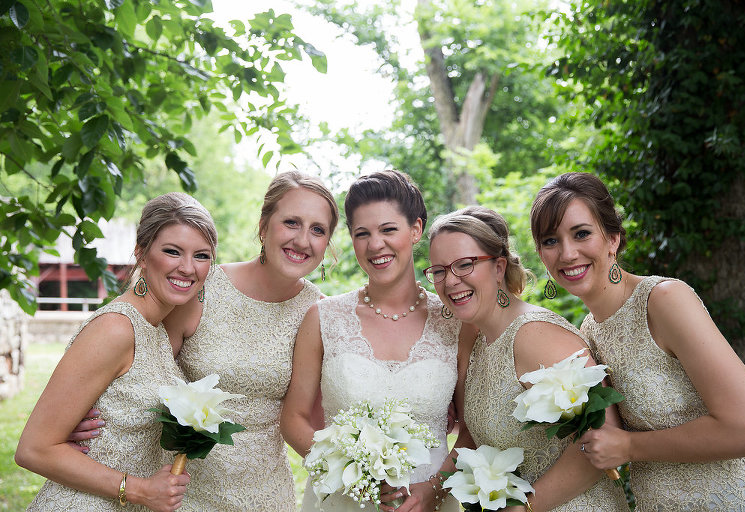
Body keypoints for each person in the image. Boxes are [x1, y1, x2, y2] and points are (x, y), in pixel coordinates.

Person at [67, 171, 339, 511]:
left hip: (267, 493)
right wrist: (83, 418)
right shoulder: (200, 287)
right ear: (263, 226)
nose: (302, 240)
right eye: (291, 222)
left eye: (318, 230)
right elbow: (140, 372)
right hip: (184, 491)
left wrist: (360, 468)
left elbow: (310, 419)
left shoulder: (320, 313)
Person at [530, 172, 745, 511]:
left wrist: (629, 446)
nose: (567, 253)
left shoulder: (664, 300)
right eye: (550, 241)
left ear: (612, 238)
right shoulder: (588, 332)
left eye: (581, 233)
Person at [15, 192, 217, 511]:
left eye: (202, 256)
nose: (188, 268)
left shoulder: (158, 330)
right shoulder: (116, 328)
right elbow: (33, 449)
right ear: (142, 253)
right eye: (172, 251)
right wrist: (140, 490)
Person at [281, 170, 464, 512]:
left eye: (388, 229)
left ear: (416, 229)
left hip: (431, 503)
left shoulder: (455, 322)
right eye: (362, 233)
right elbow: (294, 419)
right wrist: (349, 471)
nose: (375, 245)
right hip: (342, 501)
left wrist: (434, 488)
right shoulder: (323, 318)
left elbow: (471, 429)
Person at [426, 206, 627, 512]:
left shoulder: (535, 335)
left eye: (464, 265)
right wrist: (429, 491)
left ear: (498, 267)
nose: (450, 281)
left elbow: (602, 436)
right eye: (439, 271)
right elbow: (472, 435)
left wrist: (525, 508)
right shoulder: (479, 341)